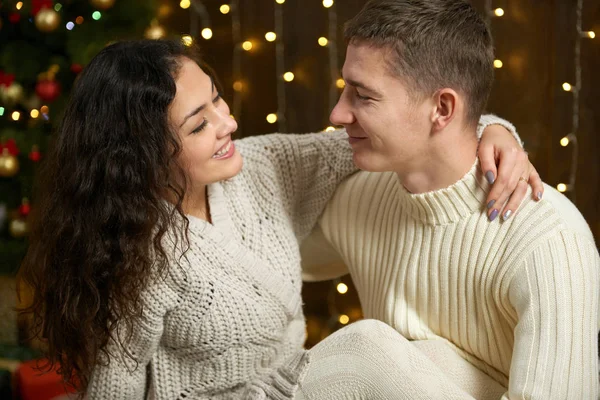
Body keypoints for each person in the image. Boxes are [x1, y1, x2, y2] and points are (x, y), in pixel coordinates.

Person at [17, 39, 538, 399]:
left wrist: (493, 130)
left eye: (218, 100)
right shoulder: (136, 252)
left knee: (439, 359)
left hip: (298, 384)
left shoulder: (263, 166)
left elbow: (395, 135)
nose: (229, 123)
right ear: (141, 153)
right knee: (368, 344)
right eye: (201, 124)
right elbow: (116, 388)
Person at [303, 0, 600, 398]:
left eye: (363, 96)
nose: (338, 114)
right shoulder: (359, 201)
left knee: (368, 351)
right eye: (345, 89)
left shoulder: (548, 240)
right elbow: (272, 263)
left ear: (441, 108)